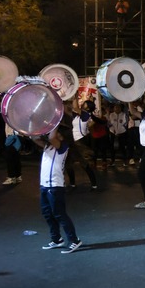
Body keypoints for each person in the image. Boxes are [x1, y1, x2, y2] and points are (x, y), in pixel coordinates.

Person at [33, 126, 82, 254]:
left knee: (60, 214)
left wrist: (55, 121)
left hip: (55, 186)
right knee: (47, 214)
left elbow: (51, 137)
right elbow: (34, 137)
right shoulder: (48, 146)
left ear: (63, 136)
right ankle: (56, 239)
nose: (54, 134)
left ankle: (74, 240)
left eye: (57, 133)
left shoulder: (63, 147)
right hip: (44, 185)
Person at [68, 98, 99, 190]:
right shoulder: (77, 116)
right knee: (68, 163)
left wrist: (74, 95)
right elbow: (71, 109)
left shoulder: (86, 115)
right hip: (73, 141)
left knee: (85, 164)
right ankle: (72, 184)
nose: (83, 104)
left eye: (85, 103)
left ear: (88, 108)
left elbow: (75, 107)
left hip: (80, 142)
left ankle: (94, 184)